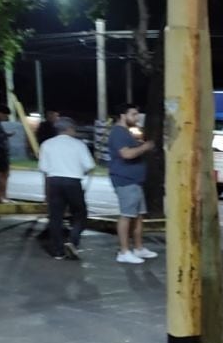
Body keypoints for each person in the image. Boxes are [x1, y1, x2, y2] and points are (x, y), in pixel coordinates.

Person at [38, 117, 95, 260]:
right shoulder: (79, 145)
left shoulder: (47, 144)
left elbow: (43, 168)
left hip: (54, 182)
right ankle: (72, 240)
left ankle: (57, 251)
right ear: (69, 129)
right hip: (73, 182)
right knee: (80, 213)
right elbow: (89, 165)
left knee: (56, 216)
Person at [107, 104, 157, 264]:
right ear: (123, 115)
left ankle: (138, 248)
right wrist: (145, 147)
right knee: (126, 216)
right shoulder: (118, 132)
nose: (136, 118)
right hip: (125, 180)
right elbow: (126, 154)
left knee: (138, 216)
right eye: (133, 114)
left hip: (134, 181)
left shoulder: (127, 132)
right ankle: (124, 251)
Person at [0, 107, 12, 203]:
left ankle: (0, 195)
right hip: (0, 151)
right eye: (4, 115)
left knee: (3, 174)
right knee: (3, 174)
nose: (5, 117)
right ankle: (1, 196)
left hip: (1, 151)